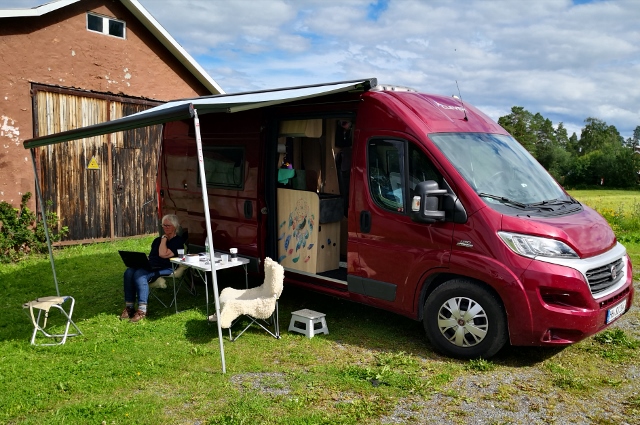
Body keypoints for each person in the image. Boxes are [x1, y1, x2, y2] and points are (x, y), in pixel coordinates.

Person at [120, 214, 184, 322]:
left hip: (166, 266)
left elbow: (163, 254)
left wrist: (164, 240)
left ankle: (142, 311)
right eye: (163, 225)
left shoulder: (177, 241)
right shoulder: (156, 240)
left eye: (168, 225)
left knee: (139, 275)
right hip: (151, 265)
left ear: (175, 226)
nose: (165, 228)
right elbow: (153, 255)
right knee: (129, 272)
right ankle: (129, 307)